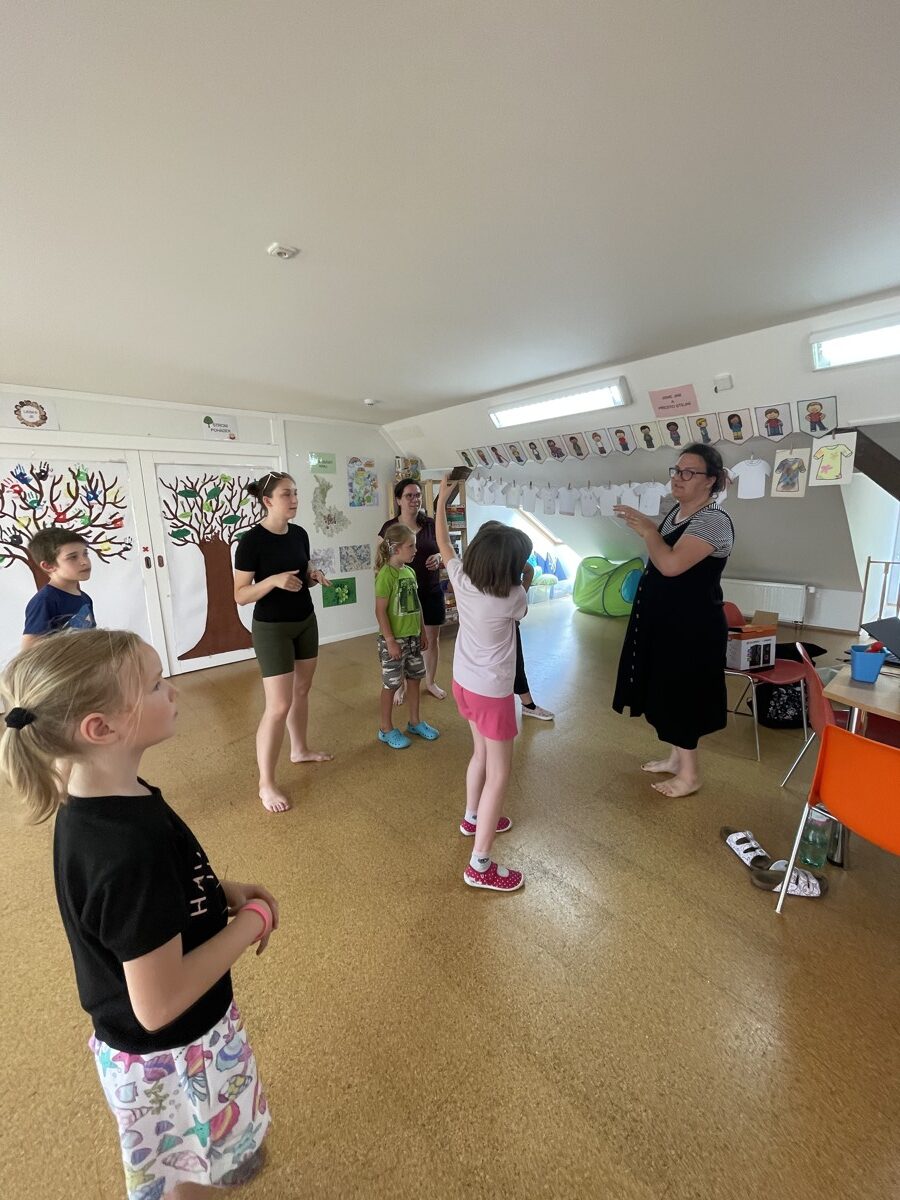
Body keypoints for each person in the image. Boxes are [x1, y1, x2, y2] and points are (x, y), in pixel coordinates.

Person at [0, 629, 277, 1198]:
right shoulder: (126, 851)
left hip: (160, 1050)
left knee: (194, 1166)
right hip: (175, 1056)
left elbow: (146, 909)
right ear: (100, 729)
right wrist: (253, 921)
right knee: (193, 1177)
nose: (172, 690)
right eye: (153, 686)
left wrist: (220, 891)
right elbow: (159, 1003)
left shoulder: (102, 797)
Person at [611, 444, 734, 798]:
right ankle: (676, 759)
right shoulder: (677, 514)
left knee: (682, 695)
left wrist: (649, 531)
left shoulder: (714, 520)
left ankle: (690, 775)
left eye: (688, 472)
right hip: (666, 624)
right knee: (663, 690)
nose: (678, 478)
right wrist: (652, 531)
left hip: (691, 629)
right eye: (676, 471)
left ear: (711, 480)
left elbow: (670, 565)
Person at [434, 483, 532, 892]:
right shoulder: (513, 595)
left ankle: (472, 817)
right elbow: (521, 607)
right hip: (492, 693)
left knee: (480, 755)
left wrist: (442, 499)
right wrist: (525, 578)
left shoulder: (461, 579)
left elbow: (444, 541)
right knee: (500, 773)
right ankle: (480, 864)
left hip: (463, 684)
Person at [234, 471, 332, 814]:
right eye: (286, 494)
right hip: (272, 628)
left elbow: (301, 574)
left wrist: (313, 576)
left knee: (302, 690)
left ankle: (299, 749)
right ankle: (266, 782)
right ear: (267, 501)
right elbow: (241, 595)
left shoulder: (300, 534)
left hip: (305, 621)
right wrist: (273, 580)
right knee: (277, 705)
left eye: (295, 493)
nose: (294, 500)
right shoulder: (251, 542)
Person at [378, 479, 447, 702]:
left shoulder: (430, 524)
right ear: (398, 500)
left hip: (430, 589)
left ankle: (430, 682)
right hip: (400, 597)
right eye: (409, 495)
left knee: (431, 640)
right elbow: (380, 561)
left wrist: (439, 557)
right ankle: (399, 686)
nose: (415, 499)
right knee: (403, 642)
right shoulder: (389, 528)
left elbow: (445, 549)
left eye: (418, 495)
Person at [374, 524, 439, 748]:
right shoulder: (386, 575)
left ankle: (414, 722)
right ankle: (385, 729)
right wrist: (390, 641)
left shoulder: (409, 572)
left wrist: (422, 631)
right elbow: (380, 611)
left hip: (413, 639)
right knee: (392, 684)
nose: (415, 550)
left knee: (414, 679)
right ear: (395, 549)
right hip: (393, 641)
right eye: (411, 546)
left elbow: (416, 604)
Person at [21, 529, 96, 648]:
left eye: (85, 554)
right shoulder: (45, 600)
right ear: (48, 566)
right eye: (73, 557)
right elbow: (29, 649)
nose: (84, 562)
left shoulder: (85, 598)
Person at [516, 559, 554, 721]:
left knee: (516, 663)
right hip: (486, 629)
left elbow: (529, 569)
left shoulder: (508, 558)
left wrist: (521, 594)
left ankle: (528, 704)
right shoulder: (476, 563)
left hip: (507, 626)